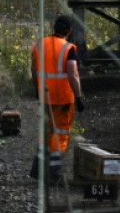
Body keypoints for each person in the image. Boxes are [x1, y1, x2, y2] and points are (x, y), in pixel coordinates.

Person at [29, 15, 85, 183]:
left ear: (54, 28)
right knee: (60, 135)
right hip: (63, 99)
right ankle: (53, 174)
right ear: (69, 31)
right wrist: (79, 96)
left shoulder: (39, 44)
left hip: (45, 96)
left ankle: (37, 169)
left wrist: (37, 89)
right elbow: (72, 73)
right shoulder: (68, 48)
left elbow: (33, 69)